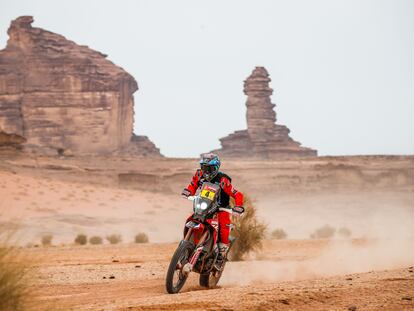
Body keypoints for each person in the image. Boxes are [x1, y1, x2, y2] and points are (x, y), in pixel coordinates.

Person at [181, 153, 244, 268]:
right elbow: (193, 185)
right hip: (204, 204)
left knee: (224, 226)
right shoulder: (199, 174)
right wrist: (188, 191)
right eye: (204, 167)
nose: (206, 171)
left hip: (221, 208)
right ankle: (185, 245)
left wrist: (238, 206)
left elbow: (237, 194)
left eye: (209, 168)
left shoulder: (223, 179)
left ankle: (221, 255)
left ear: (216, 168)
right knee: (191, 217)